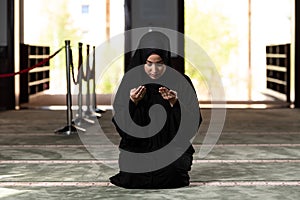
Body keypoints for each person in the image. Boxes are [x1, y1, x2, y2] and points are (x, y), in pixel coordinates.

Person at [110, 31, 202, 189]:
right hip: (138, 148)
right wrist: (132, 103)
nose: (154, 69)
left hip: (171, 147)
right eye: (149, 63)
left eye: (159, 63)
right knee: (134, 174)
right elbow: (122, 127)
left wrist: (175, 103)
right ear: (142, 61)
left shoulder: (181, 82)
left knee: (171, 173)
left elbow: (193, 123)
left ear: (166, 60)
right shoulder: (130, 82)